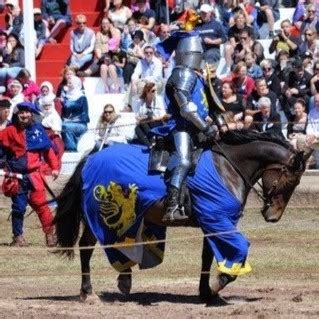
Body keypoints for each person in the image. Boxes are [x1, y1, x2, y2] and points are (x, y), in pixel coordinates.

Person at [155, 32, 224, 221]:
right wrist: (205, 127)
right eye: (197, 53)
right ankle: (172, 206)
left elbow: (207, 105)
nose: (199, 56)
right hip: (181, 127)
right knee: (183, 160)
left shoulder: (199, 77)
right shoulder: (182, 73)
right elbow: (185, 108)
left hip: (197, 127)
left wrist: (219, 125)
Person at [0, 101, 59, 247]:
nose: (24, 115)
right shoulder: (9, 131)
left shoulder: (38, 131)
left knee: (42, 206)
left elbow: (48, 151)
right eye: (21, 112)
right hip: (16, 178)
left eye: (26, 112)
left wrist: (55, 167)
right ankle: (18, 237)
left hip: (34, 177)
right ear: (16, 114)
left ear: (31, 114)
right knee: (18, 208)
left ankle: (50, 235)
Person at [133, 81, 168, 146]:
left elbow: (163, 116)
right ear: (147, 92)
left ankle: (152, 139)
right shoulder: (141, 101)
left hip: (157, 122)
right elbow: (137, 116)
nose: (155, 92)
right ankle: (149, 144)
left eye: (155, 90)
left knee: (144, 123)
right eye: (153, 91)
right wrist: (141, 118)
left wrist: (151, 119)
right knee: (137, 128)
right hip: (145, 123)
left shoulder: (159, 100)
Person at [61, 76, 89, 151]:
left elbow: (85, 115)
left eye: (70, 83)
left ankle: (71, 149)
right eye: (68, 83)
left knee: (65, 126)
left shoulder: (82, 97)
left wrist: (71, 120)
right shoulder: (66, 97)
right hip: (66, 122)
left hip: (80, 124)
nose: (68, 85)